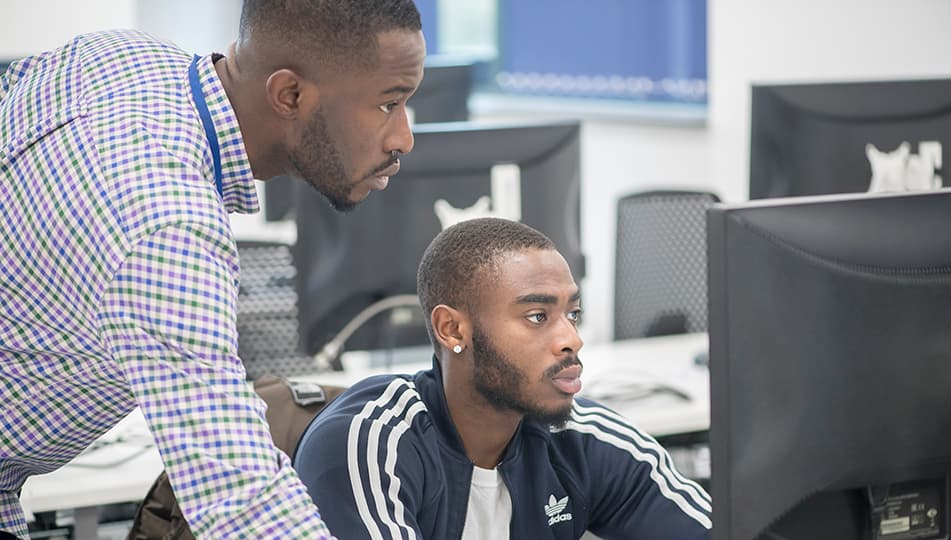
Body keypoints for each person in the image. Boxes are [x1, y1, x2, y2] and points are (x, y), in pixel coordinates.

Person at [0, 0, 424, 537]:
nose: (403, 138)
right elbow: (240, 501)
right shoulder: (168, 228)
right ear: (290, 94)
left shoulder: (119, 53)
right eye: (388, 104)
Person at [294, 217, 712, 539]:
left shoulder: (583, 440)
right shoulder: (371, 444)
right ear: (453, 330)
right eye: (537, 317)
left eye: (572, 314)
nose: (571, 339)